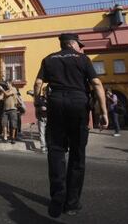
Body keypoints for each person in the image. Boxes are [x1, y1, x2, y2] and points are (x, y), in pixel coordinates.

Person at [34, 33, 108, 218]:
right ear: (73, 44)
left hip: (56, 103)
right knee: (77, 154)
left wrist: (37, 104)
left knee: (56, 151)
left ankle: (57, 198)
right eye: (79, 45)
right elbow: (97, 84)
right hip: (78, 104)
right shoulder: (82, 59)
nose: (80, 48)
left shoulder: (49, 59)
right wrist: (103, 112)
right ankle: (71, 204)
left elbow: (37, 83)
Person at [0, 80, 18, 144]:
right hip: (5, 110)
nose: (6, 85)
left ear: (10, 83)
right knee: (4, 124)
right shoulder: (5, 91)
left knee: (13, 124)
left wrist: (2, 90)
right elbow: (1, 98)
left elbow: (7, 94)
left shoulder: (14, 89)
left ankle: (13, 138)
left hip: (13, 109)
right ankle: (5, 137)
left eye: (7, 83)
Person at [35, 87, 48, 153]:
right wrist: (40, 108)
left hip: (49, 118)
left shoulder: (51, 98)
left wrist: (47, 109)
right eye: (44, 91)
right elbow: (37, 107)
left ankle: (48, 146)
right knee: (42, 133)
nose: (45, 92)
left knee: (48, 133)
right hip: (41, 118)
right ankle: (43, 147)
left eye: (46, 91)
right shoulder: (40, 98)